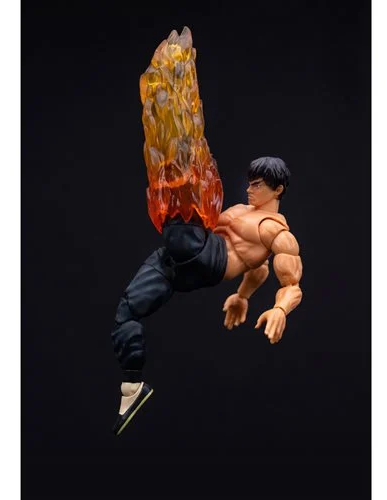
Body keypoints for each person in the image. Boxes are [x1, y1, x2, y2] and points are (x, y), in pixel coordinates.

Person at [111, 156, 303, 435]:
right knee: (127, 312)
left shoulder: (275, 231)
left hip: (210, 259)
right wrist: (242, 297)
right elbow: (259, 269)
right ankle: (132, 387)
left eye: (257, 185)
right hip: (181, 261)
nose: (249, 189)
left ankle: (178, 157)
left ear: (278, 190)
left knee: (181, 220)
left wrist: (280, 309)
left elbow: (292, 284)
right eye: (249, 183)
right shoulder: (240, 210)